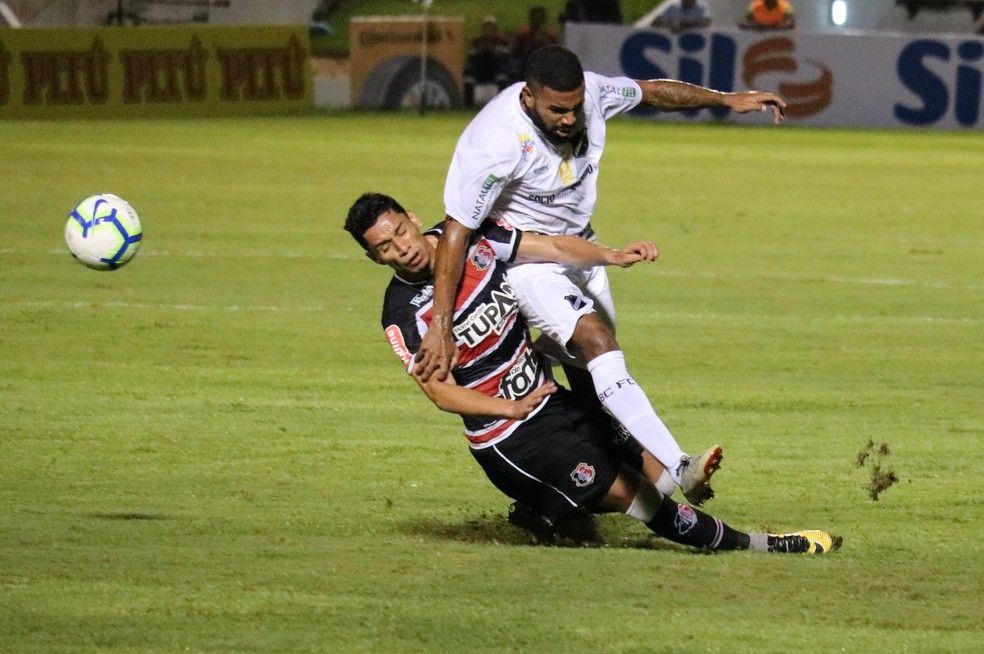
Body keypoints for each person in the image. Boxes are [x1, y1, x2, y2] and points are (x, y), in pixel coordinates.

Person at [344, 192, 841, 555]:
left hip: (552, 401)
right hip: (513, 438)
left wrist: (612, 255)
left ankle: (551, 511)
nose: (401, 248)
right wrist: (508, 406)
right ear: (373, 258)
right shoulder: (404, 314)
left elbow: (554, 249)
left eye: (400, 232)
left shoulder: (471, 240)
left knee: (645, 459)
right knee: (643, 500)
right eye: (384, 248)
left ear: (411, 217)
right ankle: (761, 545)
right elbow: (441, 394)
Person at [413, 45, 786, 507]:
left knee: (596, 385)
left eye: (574, 107)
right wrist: (441, 325)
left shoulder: (590, 95)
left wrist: (726, 99)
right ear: (529, 98)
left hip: (583, 251)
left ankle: (613, 490)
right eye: (557, 110)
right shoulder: (493, 141)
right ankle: (678, 465)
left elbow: (651, 92)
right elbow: (456, 232)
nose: (570, 119)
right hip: (529, 262)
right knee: (597, 343)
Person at [465, 15, 511, 108]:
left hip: (495, 69)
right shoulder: (478, 41)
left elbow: (505, 55)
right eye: (486, 27)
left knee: (502, 77)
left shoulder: (501, 40)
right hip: (481, 70)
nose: (488, 30)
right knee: (469, 78)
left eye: (491, 27)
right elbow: (472, 56)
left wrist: (493, 51)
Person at [509, 7, 559, 83]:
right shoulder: (522, 34)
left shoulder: (550, 35)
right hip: (525, 66)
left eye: (539, 17)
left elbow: (556, 53)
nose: (537, 19)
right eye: (535, 17)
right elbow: (514, 51)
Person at [638, 0, 712, 32]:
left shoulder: (702, 6)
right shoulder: (673, 6)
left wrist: (682, 27)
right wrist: (669, 25)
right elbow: (655, 22)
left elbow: (706, 22)